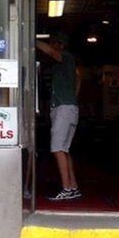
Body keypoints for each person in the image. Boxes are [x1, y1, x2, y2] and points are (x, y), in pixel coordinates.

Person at [36, 32, 81, 201]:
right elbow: (79, 80)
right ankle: (73, 186)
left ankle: (67, 188)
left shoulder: (65, 57)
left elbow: (51, 52)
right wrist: (73, 98)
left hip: (63, 109)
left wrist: (32, 39)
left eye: (54, 43)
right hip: (69, 107)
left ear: (60, 45)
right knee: (65, 149)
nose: (52, 46)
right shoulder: (66, 65)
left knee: (57, 149)